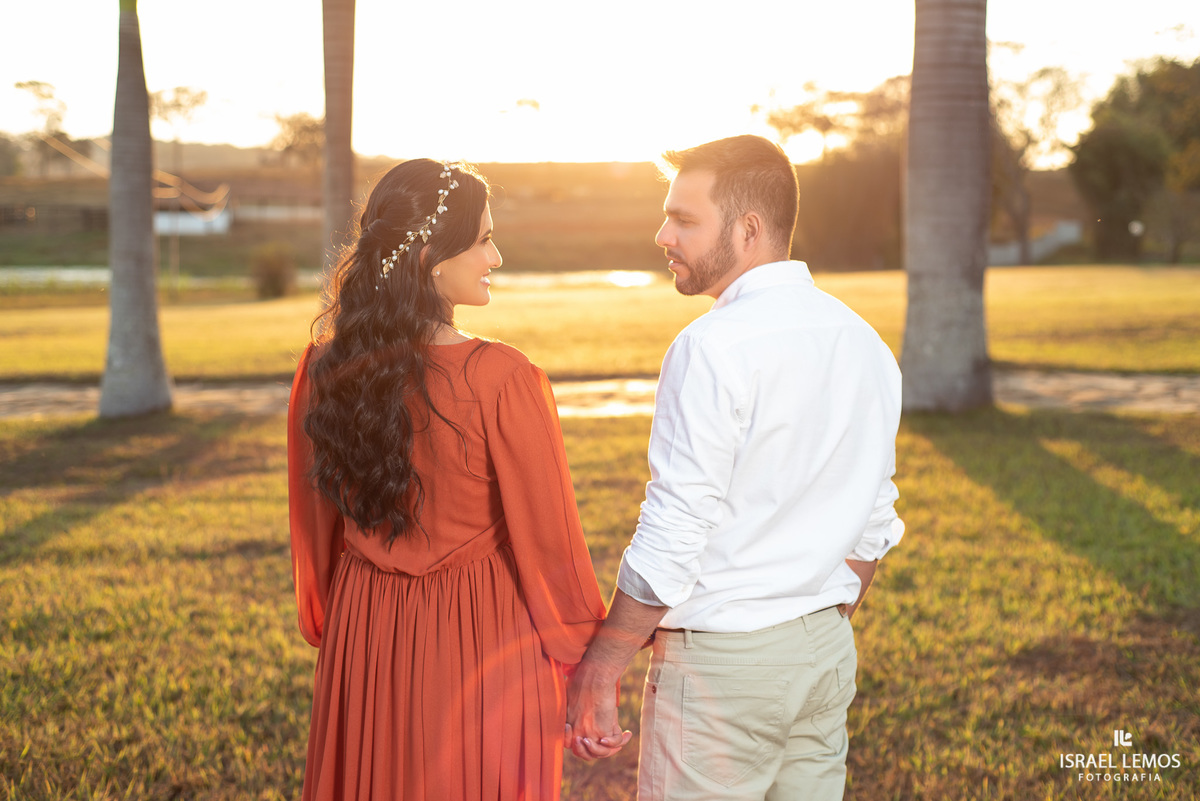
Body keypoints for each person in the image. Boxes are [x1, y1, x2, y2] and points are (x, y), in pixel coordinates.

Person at [565, 135, 905, 800]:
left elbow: (673, 530)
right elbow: (874, 521)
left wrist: (602, 664)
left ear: (749, 229)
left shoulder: (711, 346)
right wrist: (813, 617)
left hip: (724, 663)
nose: (662, 234)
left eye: (685, 219)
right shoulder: (864, 341)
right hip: (825, 649)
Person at [288, 158, 608, 801]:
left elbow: (312, 523)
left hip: (366, 629)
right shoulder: (503, 378)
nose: (497, 254)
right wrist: (588, 664)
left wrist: (334, 622)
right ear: (433, 257)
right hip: (482, 638)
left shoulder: (324, 368)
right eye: (484, 238)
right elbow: (552, 546)